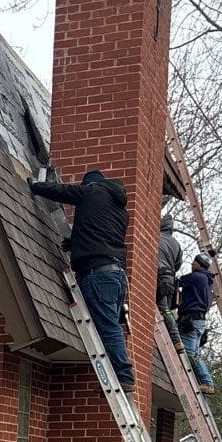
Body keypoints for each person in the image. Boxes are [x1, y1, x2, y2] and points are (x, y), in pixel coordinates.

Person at [28, 168, 136, 391]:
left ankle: (124, 375)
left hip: (97, 275)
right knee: (110, 326)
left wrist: (36, 186)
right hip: (116, 275)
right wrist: (75, 243)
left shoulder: (92, 192)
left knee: (108, 328)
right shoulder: (120, 211)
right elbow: (100, 233)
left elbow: (62, 191)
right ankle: (118, 376)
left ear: (90, 185)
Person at [175, 254, 217, 393]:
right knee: (195, 353)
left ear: (199, 264)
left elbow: (177, 282)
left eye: (194, 262)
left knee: (189, 354)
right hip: (198, 321)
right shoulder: (207, 281)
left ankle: (206, 381)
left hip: (191, 320)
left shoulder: (196, 277)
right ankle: (204, 380)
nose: (192, 263)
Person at [157, 210, 184, 323]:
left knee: (163, 310)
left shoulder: (157, 237)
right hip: (170, 280)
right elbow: (178, 264)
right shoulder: (177, 244)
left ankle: (173, 333)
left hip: (160, 277)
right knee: (166, 309)